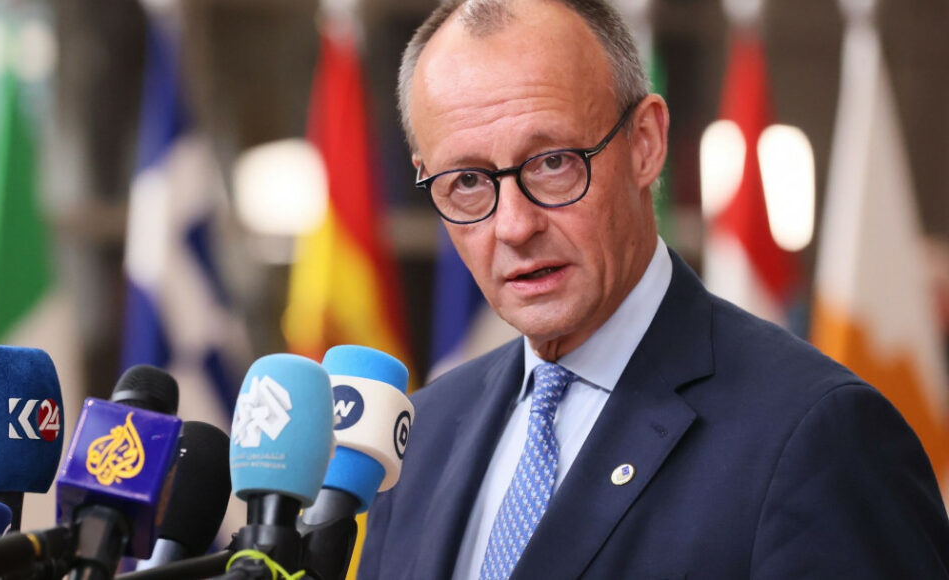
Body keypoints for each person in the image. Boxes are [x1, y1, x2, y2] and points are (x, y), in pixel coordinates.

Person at [357, 0, 949, 578]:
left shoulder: (819, 434)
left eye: (553, 162)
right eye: (466, 180)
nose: (513, 225)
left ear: (645, 142)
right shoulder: (418, 434)